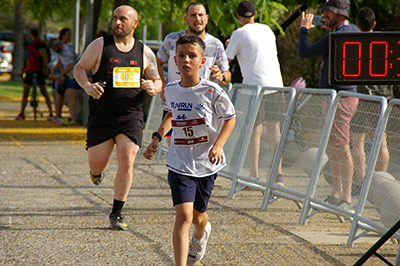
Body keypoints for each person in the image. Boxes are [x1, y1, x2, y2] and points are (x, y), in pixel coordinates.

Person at [143, 35, 236, 266]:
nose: (186, 60)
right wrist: (157, 137)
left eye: (192, 56)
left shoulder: (212, 91)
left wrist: (218, 145)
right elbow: (171, 115)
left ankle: (201, 234)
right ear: (174, 60)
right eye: (181, 56)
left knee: (198, 218)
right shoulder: (171, 90)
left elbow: (230, 119)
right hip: (180, 162)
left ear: (202, 61)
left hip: (206, 163)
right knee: (183, 216)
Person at [73, 5, 162, 230]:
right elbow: (80, 68)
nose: (118, 23)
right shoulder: (100, 45)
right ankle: (97, 173)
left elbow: (157, 78)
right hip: (102, 116)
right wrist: (87, 86)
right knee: (96, 163)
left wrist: (154, 86)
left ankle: (117, 213)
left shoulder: (144, 51)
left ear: (135, 24)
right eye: (115, 18)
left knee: (128, 157)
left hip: (130, 115)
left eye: (123, 19)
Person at [298, 0, 360, 210]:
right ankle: (336, 193)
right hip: (336, 98)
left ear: (341, 14)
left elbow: (304, 51)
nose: (323, 14)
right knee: (334, 147)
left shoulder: (337, 35)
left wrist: (304, 30)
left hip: (341, 100)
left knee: (341, 147)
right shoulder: (352, 30)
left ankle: (347, 198)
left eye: (328, 11)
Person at [225, 1, 284, 186]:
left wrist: (229, 44)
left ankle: (254, 175)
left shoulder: (238, 33)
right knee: (275, 130)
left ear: (238, 17)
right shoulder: (267, 29)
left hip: (255, 88)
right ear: (255, 14)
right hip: (276, 85)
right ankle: (278, 176)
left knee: (254, 131)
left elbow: (226, 60)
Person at [156, 1, 231, 145]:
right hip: (175, 103)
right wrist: (163, 85)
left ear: (207, 18)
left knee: (200, 145)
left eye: (201, 15)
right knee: (174, 147)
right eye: (193, 15)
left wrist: (220, 76)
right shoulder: (172, 40)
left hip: (202, 105)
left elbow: (227, 74)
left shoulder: (215, 45)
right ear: (186, 19)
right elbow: (157, 62)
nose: (198, 19)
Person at [350, 7, 395, 195]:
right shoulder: (384, 42)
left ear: (357, 24)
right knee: (381, 142)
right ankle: (379, 184)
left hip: (363, 99)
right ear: (374, 24)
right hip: (383, 99)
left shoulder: (353, 43)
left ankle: (361, 186)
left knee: (357, 143)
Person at [16, 27, 53, 120]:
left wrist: (45, 67)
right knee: (26, 92)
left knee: (43, 91)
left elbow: (43, 55)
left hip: (38, 70)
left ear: (31, 33)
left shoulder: (38, 44)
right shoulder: (31, 45)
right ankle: (21, 113)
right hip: (30, 70)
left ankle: (51, 113)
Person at [48, 38, 81, 125]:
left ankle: (73, 117)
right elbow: (60, 62)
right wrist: (53, 72)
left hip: (77, 75)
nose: (54, 50)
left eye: (54, 48)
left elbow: (70, 66)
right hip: (71, 76)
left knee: (70, 94)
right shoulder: (60, 52)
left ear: (58, 44)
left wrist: (60, 75)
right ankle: (71, 116)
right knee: (67, 94)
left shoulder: (67, 51)